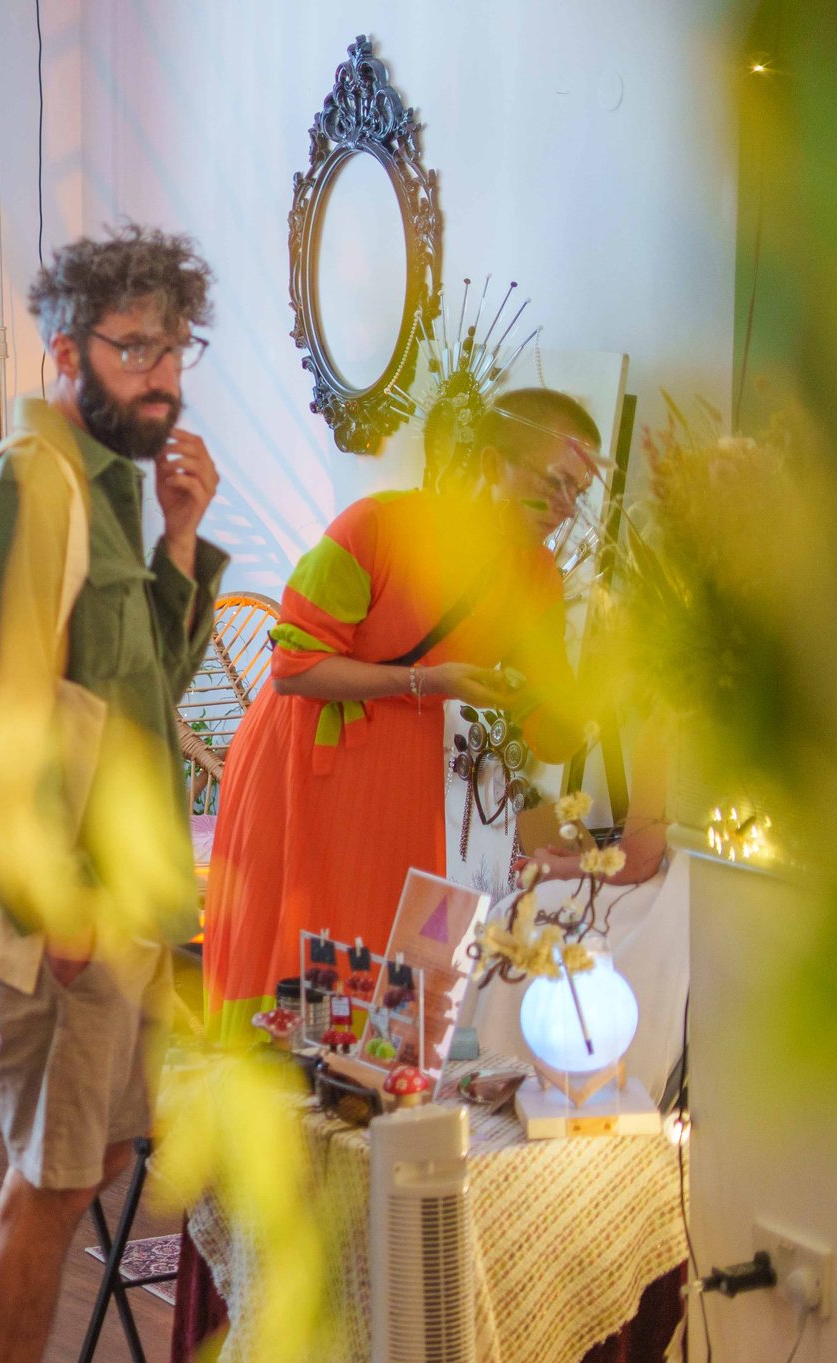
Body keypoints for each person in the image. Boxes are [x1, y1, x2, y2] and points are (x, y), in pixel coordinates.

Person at [0, 224, 229, 1363]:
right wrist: (45, 897)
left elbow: (142, 697)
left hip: (131, 901)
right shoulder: (28, 484)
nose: (163, 372)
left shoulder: (109, 484)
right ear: (67, 352)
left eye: (175, 343)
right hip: (71, 909)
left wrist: (180, 537)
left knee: (89, 1161)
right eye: (135, 345)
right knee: (53, 1178)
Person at [201, 387, 600, 1040]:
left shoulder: (538, 576)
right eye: (554, 482)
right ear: (492, 464)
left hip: (415, 779)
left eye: (577, 493)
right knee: (299, 956)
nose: (565, 507)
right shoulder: (376, 526)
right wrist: (427, 679)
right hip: (304, 759)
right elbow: (292, 668)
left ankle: (372, 1118)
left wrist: (591, 704)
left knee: (393, 984)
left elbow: (549, 731)